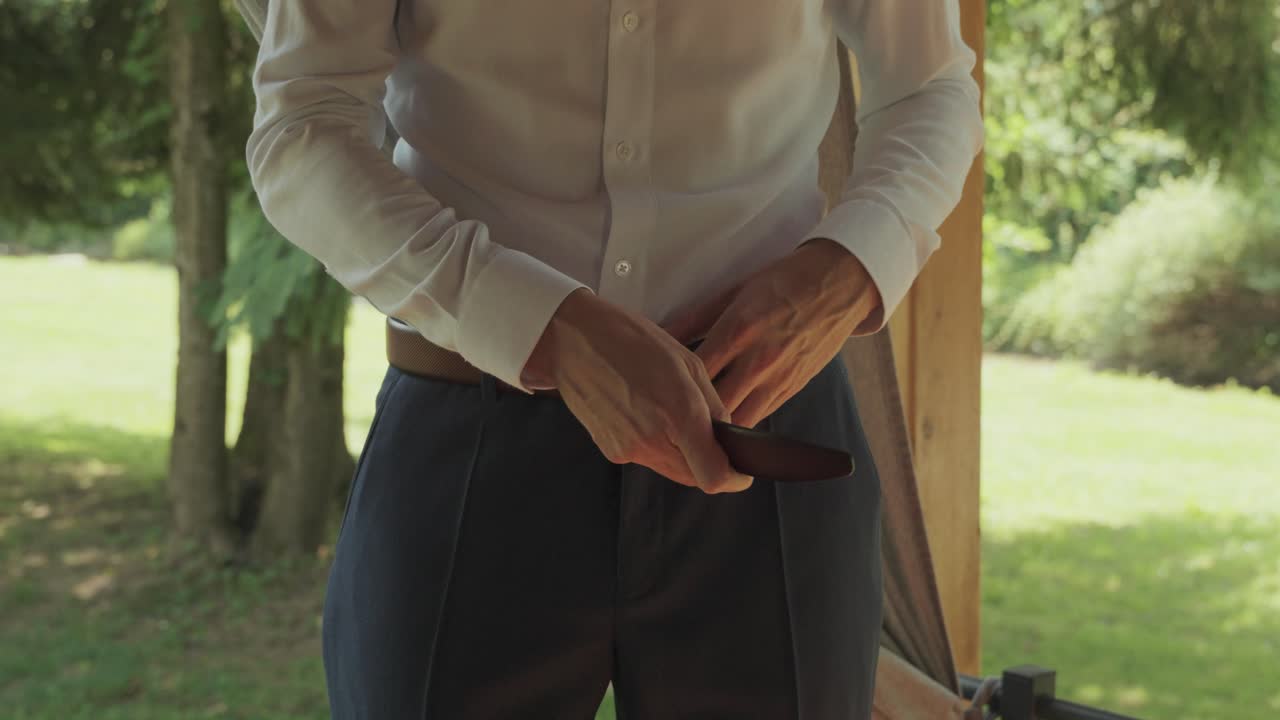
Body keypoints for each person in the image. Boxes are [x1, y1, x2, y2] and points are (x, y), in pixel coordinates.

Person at [247, 1, 982, 717]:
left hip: (764, 431)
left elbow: (930, 91)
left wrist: (849, 268)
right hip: (470, 434)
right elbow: (303, 125)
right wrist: (545, 327)